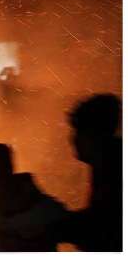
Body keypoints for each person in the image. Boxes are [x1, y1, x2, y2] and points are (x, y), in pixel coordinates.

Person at [60, 93, 122, 251]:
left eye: (77, 132)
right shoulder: (110, 161)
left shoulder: (111, 166)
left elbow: (104, 225)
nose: (72, 139)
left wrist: (53, 224)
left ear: (92, 134)